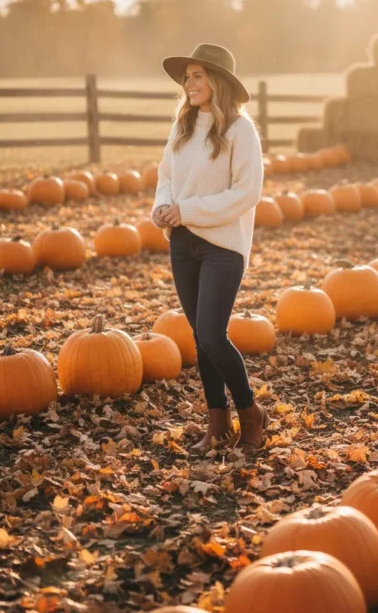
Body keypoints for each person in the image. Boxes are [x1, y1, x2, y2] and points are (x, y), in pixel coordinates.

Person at [151, 43, 268, 452]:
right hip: (182, 242)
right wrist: (162, 206)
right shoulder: (183, 126)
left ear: (218, 81)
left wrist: (187, 210)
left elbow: (247, 193)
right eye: (187, 77)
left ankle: (251, 414)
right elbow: (166, 176)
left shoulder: (240, 130)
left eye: (198, 75)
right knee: (201, 339)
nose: (189, 83)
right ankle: (217, 424)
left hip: (222, 246)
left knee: (212, 335)